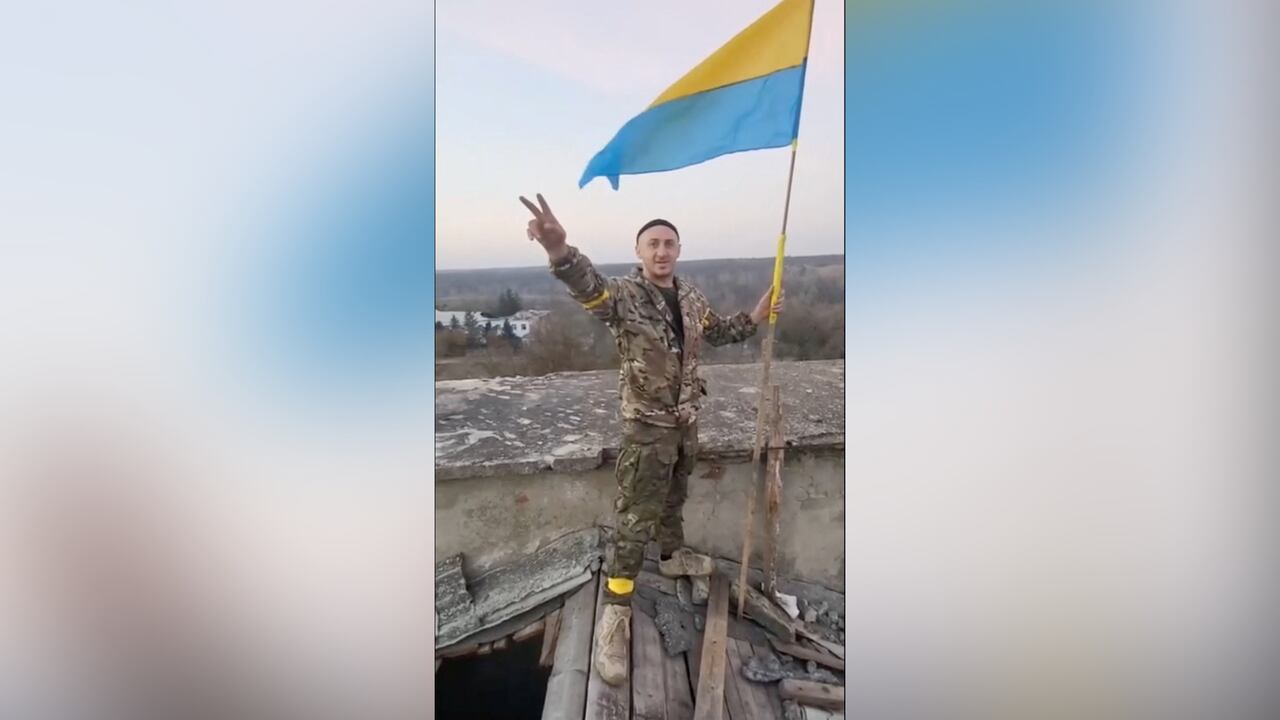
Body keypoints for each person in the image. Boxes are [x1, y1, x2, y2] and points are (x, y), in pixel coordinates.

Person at [520, 193, 783, 685]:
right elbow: (588, 287)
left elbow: (717, 332)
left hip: (685, 422)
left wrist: (756, 315)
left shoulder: (691, 297)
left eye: (669, 244)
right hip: (646, 428)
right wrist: (559, 249)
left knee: (674, 498)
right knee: (634, 518)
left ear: (678, 250)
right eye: (653, 244)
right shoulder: (624, 296)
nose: (662, 251)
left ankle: (671, 556)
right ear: (639, 251)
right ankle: (616, 610)